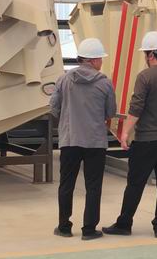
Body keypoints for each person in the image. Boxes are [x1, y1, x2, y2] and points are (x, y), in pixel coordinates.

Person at [103, 31, 157, 238]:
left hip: (147, 139)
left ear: (150, 54)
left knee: (135, 183)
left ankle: (124, 223)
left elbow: (136, 108)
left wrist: (125, 132)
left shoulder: (145, 76)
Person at [50, 38, 117, 241]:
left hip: (70, 140)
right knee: (93, 186)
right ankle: (89, 229)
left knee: (66, 184)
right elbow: (111, 112)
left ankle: (64, 226)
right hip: (95, 142)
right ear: (94, 60)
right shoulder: (105, 83)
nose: (101, 63)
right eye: (101, 59)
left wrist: (68, 118)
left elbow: (54, 107)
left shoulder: (64, 80)